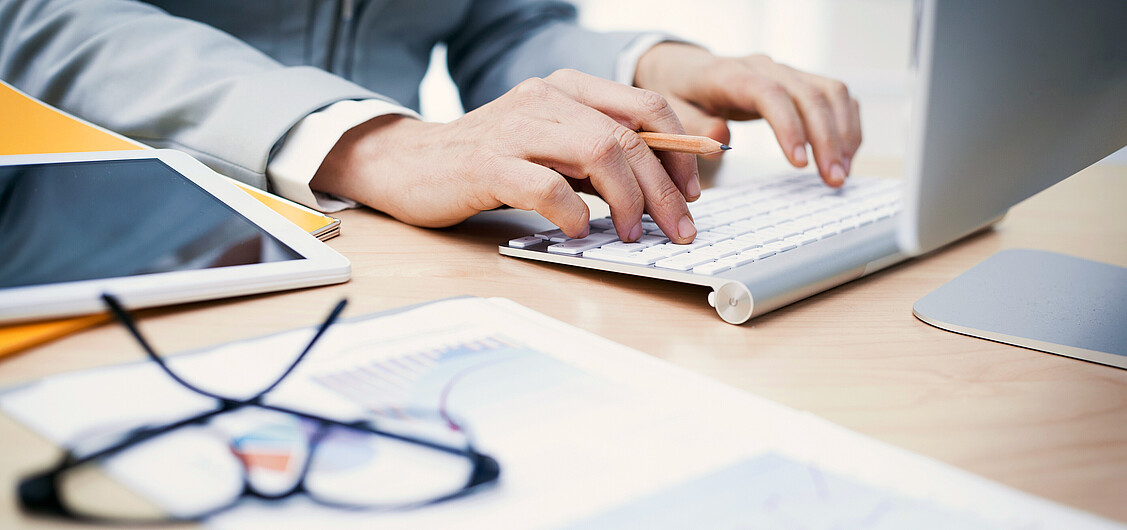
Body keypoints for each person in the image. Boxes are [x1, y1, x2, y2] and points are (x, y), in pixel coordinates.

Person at [0, 0, 860, 244]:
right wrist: (374, 143)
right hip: (111, 254)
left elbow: (502, 26)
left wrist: (657, 69)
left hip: (377, 258)